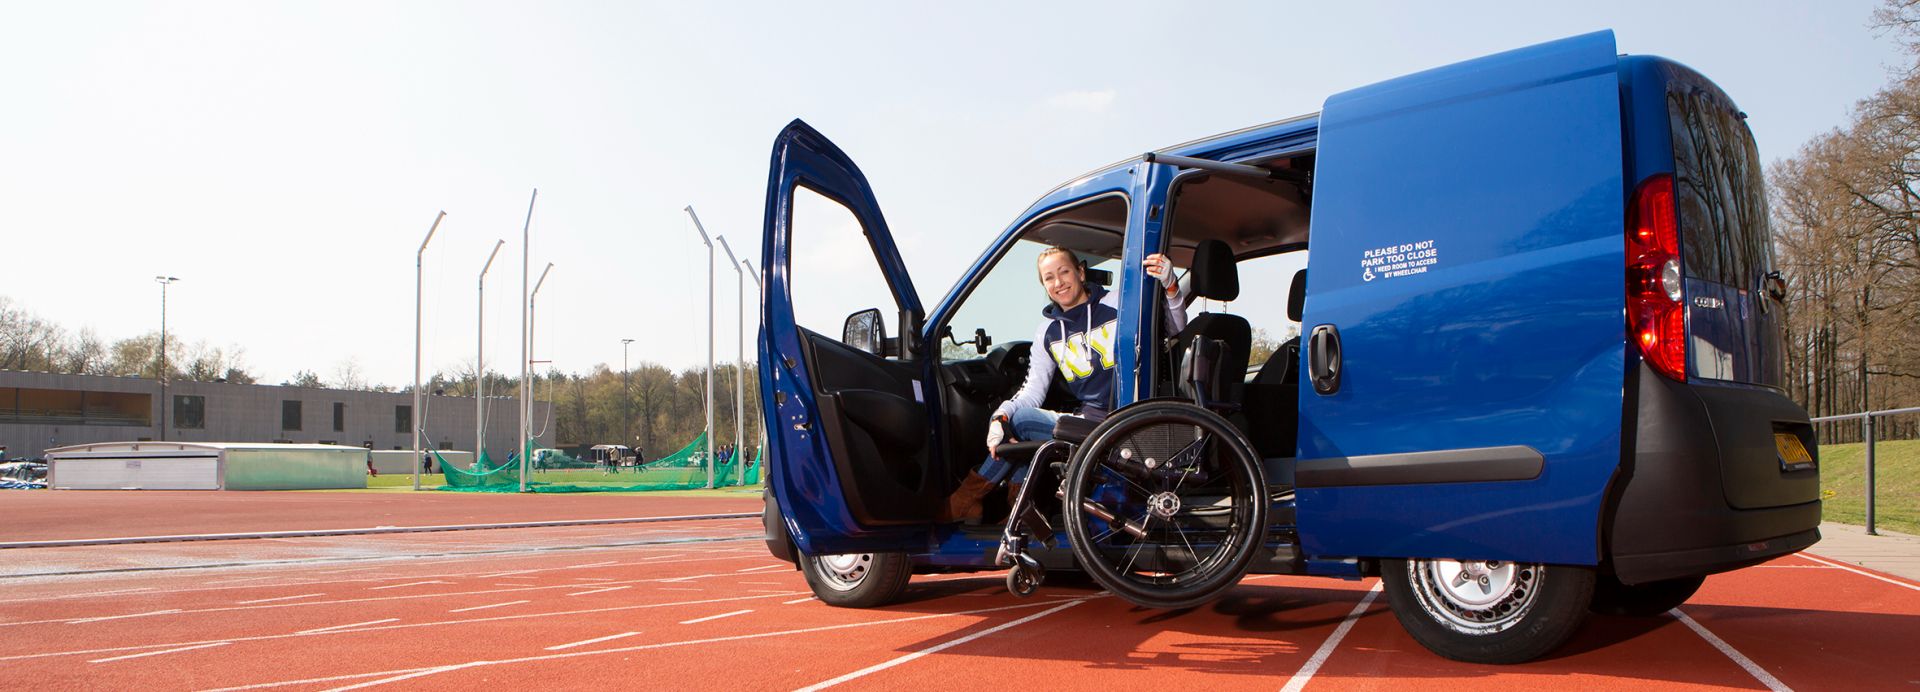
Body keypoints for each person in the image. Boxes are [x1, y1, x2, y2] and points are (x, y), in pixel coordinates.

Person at [940, 247, 1190, 522]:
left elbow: (1173, 327)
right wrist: (1000, 416)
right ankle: (1017, 512)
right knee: (1015, 419)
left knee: (1020, 422)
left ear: (1080, 272)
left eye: (1064, 272)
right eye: (1049, 278)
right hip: (1089, 420)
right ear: (1044, 286)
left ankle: (970, 500)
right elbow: (1033, 391)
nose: (1058, 283)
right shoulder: (1046, 331)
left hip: (1124, 421)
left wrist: (1171, 287)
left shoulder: (1119, 302)